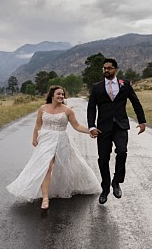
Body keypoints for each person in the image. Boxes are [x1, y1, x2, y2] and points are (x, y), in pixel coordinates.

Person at [6, 85, 99, 216]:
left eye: (63, 94)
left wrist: (90, 131)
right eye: (58, 94)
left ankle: (64, 187)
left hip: (61, 140)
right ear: (52, 95)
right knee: (47, 167)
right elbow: (38, 125)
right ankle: (45, 198)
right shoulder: (43, 108)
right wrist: (34, 138)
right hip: (45, 140)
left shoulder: (67, 110)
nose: (61, 96)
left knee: (64, 166)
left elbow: (77, 126)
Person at [87, 58, 147, 204]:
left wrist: (142, 121)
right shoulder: (97, 87)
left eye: (109, 68)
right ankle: (105, 188)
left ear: (116, 69)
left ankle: (116, 181)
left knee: (122, 152)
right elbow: (91, 108)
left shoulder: (125, 85)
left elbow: (135, 102)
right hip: (103, 128)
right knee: (103, 158)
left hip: (120, 126)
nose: (106, 70)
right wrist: (92, 126)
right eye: (104, 68)